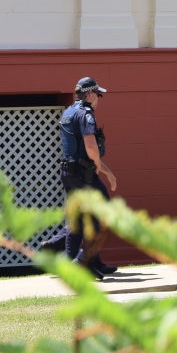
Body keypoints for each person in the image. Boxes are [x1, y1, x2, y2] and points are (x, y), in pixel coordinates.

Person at [56, 76, 118, 279]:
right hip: (84, 175)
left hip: (68, 173)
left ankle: (81, 263)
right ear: (90, 94)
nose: (98, 99)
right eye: (98, 94)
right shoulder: (86, 114)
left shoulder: (68, 111)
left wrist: (105, 171)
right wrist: (101, 168)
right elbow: (90, 146)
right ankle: (82, 261)